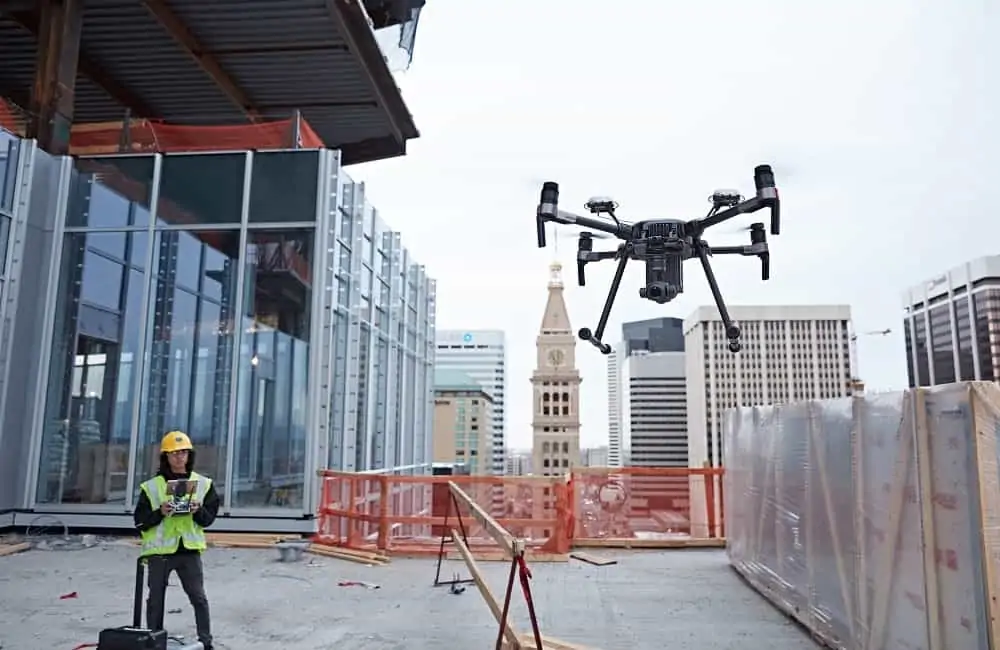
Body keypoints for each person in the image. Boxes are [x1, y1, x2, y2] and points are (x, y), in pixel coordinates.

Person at [133, 431, 220, 650]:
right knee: (155, 600)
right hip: (160, 552)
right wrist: (160, 512)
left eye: (183, 453)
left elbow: (208, 520)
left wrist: (197, 510)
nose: (179, 457)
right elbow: (140, 522)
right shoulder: (151, 487)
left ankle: (206, 643)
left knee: (199, 598)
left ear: (189, 455)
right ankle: (154, 642)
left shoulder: (203, 484)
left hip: (188, 551)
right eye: (174, 453)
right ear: (165, 457)